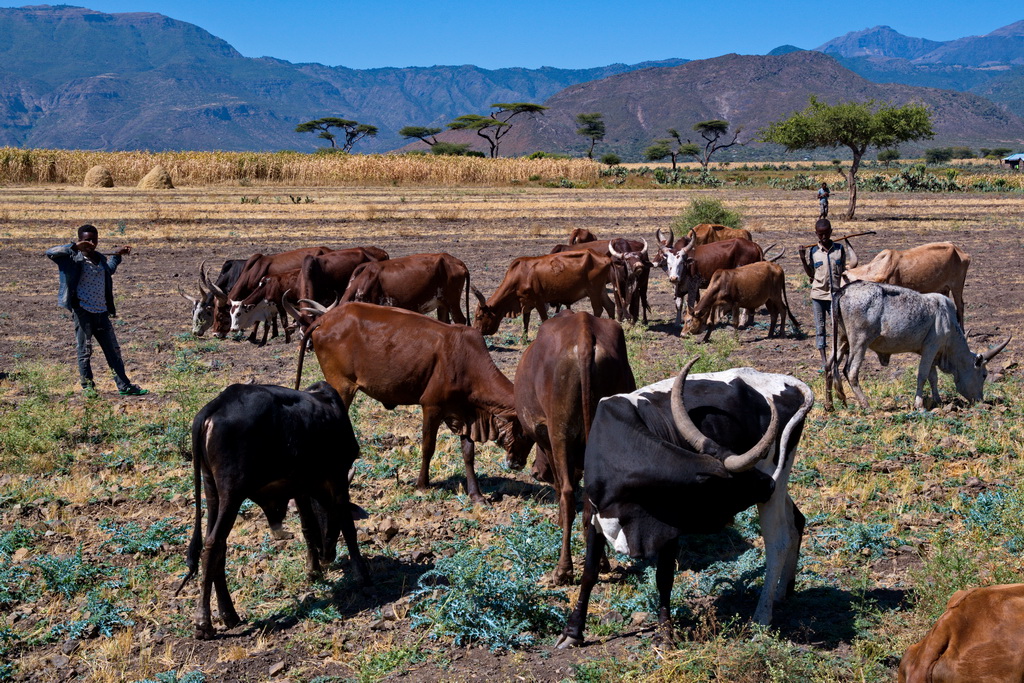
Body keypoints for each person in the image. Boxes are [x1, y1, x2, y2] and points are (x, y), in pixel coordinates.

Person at [46, 224, 148, 397]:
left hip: (101, 311)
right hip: (83, 311)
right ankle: (88, 388)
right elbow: (50, 252)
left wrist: (117, 254)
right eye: (86, 240)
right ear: (80, 239)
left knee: (113, 351)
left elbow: (108, 271)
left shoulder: (100, 258)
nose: (91, 243)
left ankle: (124, 386)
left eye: (94, 239)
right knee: (85, 351)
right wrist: (74, 247)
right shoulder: (71, 257)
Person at [798, 218, 858, 371]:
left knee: (839, 327)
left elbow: (845, 268)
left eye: (826, 234)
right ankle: (824, 360)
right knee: (820, 327)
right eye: (820, 235)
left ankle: (843, 355)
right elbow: (810, 273)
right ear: (816, 234)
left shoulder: (839, 249)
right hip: (818, 295)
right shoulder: (813, 252)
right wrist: (802, 259)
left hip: (835, 296)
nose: (823, 237)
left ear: (831, 232)